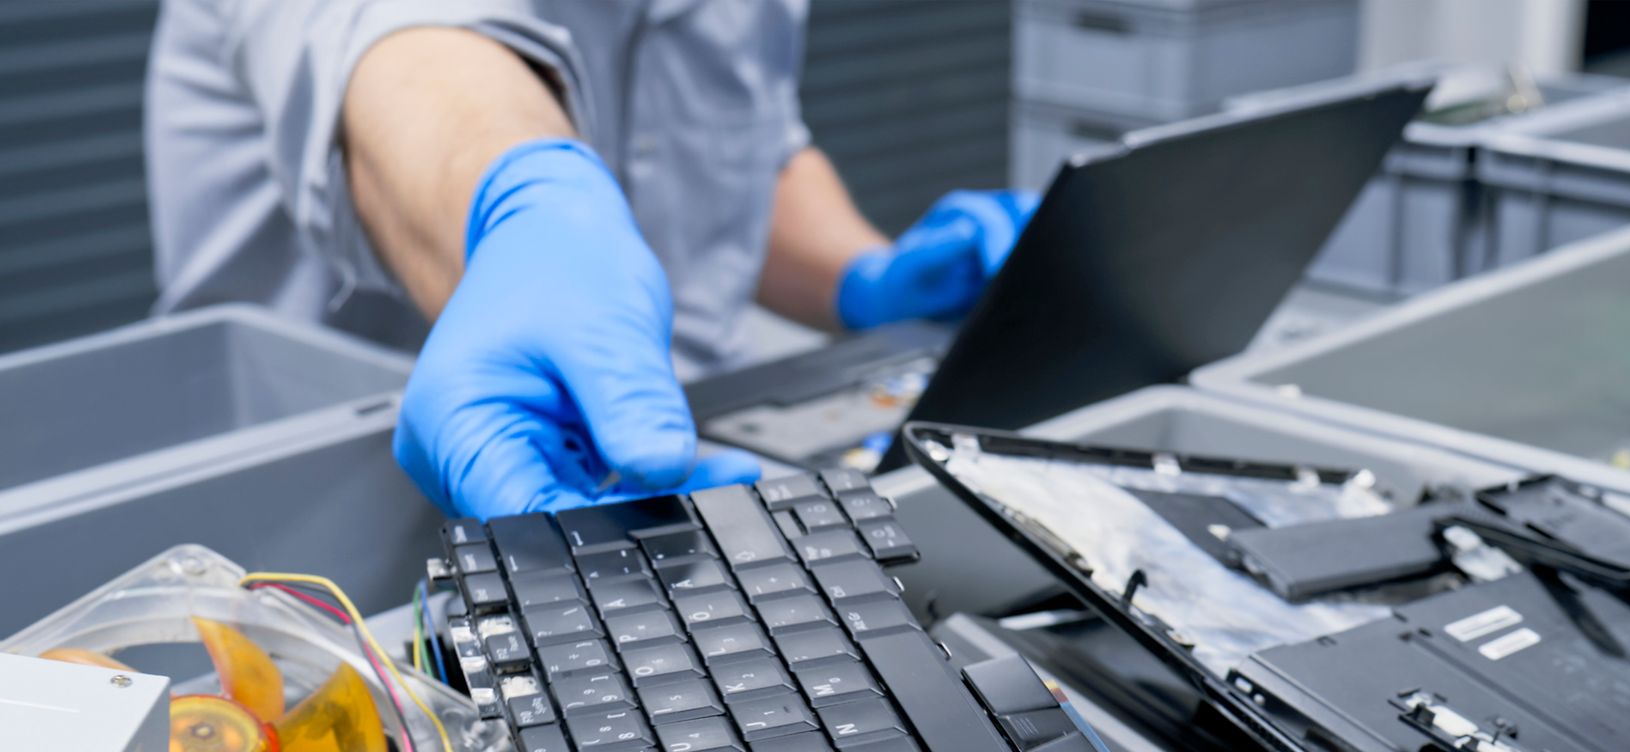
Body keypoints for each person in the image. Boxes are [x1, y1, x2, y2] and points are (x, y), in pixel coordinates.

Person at [145, 2, 1036, 519]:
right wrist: (526, 202)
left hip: (657, 460)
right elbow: (407, 60)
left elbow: (741, 152)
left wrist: (864, 277)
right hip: (320, 503)